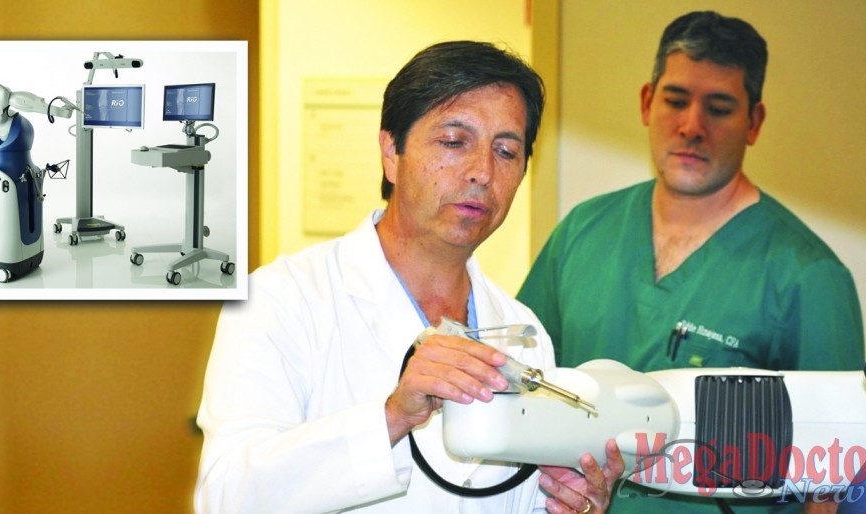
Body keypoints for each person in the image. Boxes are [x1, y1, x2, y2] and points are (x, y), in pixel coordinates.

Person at [194, 41, 623, 514]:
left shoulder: (524, 335)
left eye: (506, 151)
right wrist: (393, 417)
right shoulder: (279, 299)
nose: (482, 171)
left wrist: (572, 505)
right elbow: (226, 496)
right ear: (391, 152)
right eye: (454, 141)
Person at [517, 11, 864, 514]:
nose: (691, 126)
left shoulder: (807, 275)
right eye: (676, 101)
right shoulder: (582, 232)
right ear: (646, 102)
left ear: (754, 123)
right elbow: (525, 390)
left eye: (719, 108)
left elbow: (832, 482)